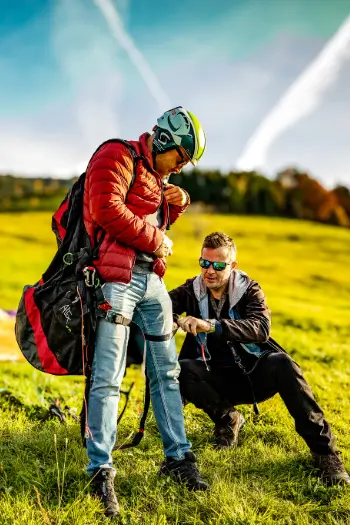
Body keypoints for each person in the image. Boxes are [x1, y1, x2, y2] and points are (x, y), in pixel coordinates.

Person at [83, 107, 208, 517]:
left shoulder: (158, 175)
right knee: (108, 374)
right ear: (168, 141)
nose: (181, 168)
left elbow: (151, 212)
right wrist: (156, 239)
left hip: (152, 280)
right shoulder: (115, 156)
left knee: (166, 369)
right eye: (181, 159)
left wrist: (178, 202)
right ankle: (99, 470)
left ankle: (178, 458)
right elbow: (106, 209)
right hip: (115, 279)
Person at [169, 231, 350, 486]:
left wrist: (211, 325)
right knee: (182, 368)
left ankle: (325, 453)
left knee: (284, 363)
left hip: (253, 374)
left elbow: (260, 328)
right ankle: (227, 419)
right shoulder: (192, 288)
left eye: (218, 265)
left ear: (232, 266)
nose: (209, 271)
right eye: (204, 262)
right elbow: (163, 303)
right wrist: (176, 319)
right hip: (216, 378)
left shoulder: (250, 289)